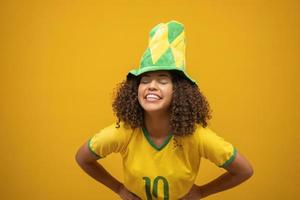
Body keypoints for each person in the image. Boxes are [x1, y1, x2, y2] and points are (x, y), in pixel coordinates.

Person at [75, 20, 253, 200]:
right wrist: (119, 189)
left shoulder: (197, 136)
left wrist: (202, 192)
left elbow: (244, 171)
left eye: (162, 80)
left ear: (179, 91)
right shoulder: (123, 133)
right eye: (144, 80)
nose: (151, 86)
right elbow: (83, 158)